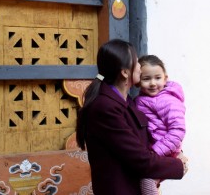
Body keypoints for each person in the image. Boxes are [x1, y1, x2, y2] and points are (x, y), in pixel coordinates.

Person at [76, 39, 188, 195]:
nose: (140, 67)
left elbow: (149, 136)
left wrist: (176, 150)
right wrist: (178, 165)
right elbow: (140, 159)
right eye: (136, 62)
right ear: (125, 72)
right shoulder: (105, 108)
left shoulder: (128, 101)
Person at [135, 54, 186, 195]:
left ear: (165, 79)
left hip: (165, 151)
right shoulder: (142, 99)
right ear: (138, 81)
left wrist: (155, 152)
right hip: (156, 150)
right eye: (146, 79)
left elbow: (178, 130)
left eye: (157, 78)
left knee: (147, 180)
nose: (152, 83)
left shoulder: (167, 100)